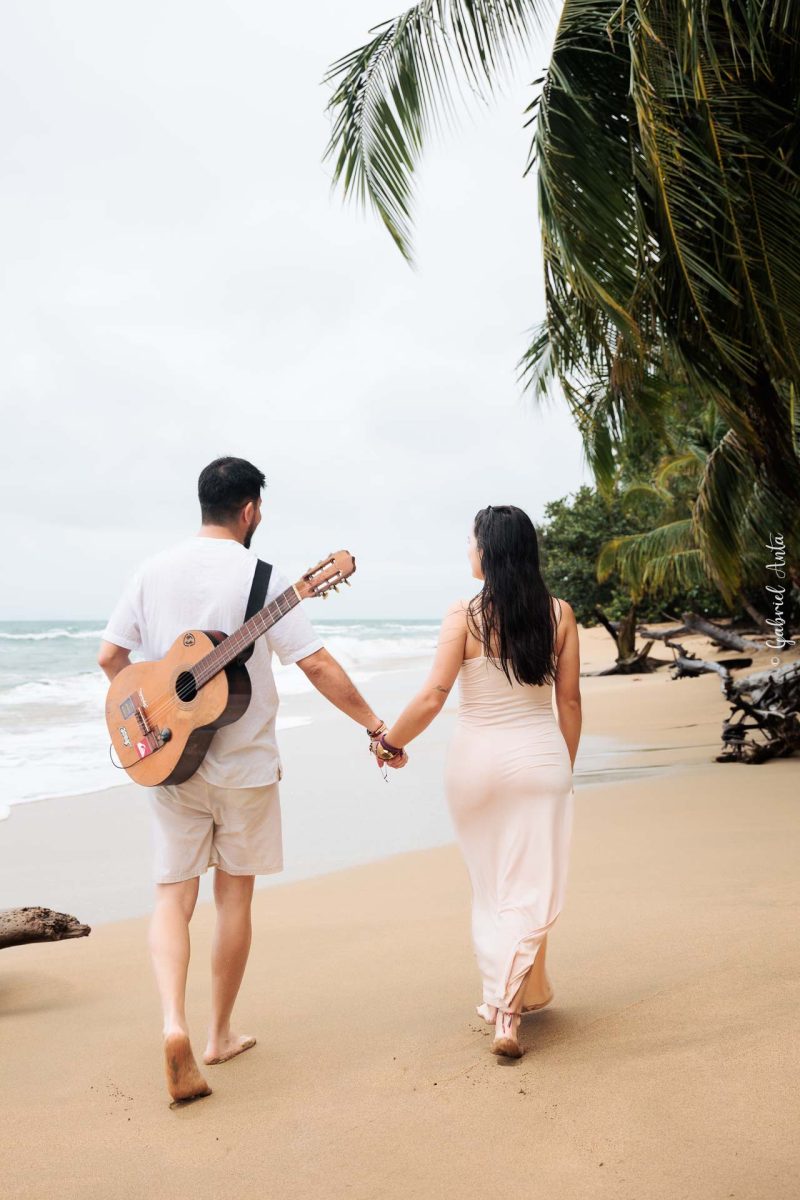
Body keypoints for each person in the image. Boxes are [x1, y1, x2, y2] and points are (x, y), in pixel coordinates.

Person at [98, 456, 404, 1105]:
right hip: (245, 768)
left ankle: (173, 1024)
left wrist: (154, 715)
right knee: (233, 898)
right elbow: (314, 664)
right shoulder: (261, 577)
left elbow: (109, 656)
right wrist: (375, 725)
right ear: (250, 510)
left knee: (171, 897)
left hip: (168, 765)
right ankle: (218, 1036)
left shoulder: (152, 571)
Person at [369, 504, 580, 1058]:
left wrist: (390, 742)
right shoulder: (559, 614)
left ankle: (504, 1006)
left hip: (475, 767)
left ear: (488, 551)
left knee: (492, 888)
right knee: (529, 886)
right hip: (541, 762)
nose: (468, 549)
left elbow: (433, 696)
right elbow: (570, 703)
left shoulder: (464, 615)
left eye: (471, 540)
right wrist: (563, 770)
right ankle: (510, 1007)